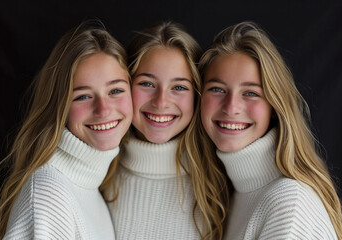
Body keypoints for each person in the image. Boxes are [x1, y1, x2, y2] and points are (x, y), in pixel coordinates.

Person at [0, 20, 133, 240]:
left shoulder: (88, 186)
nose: (103, 109)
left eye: (115, 90)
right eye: (83, 96)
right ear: (59, 106)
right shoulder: (49, 196)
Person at [199, 21, 342, 239]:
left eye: (251, 93)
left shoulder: (289, 204)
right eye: (217, 89)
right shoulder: (229, 196)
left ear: (274, 107)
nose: (231, 108)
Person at [102, 21, 228, 239]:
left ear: (197, 95)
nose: (161, 102)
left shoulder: (219, 180)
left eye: (179, 87)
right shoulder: (99, 173)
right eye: (147, 84)